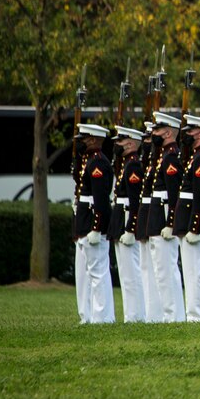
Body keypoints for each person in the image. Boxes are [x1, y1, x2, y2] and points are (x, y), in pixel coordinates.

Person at [171, 115, 200, 322]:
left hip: (194, 219)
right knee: (190, 270)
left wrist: (195, 226)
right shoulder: (195, 156)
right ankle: (194, 314)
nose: (186, 135)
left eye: (190, 131)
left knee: (196, 271)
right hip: (188, 217)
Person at [73, 123, 114, 324]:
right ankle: (87, 316)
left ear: (94, 140)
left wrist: (97, 227)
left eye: (84, 139)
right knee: (84, 275)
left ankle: (103, 317)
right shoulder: (88, 161)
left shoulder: (98, 163)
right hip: (84, 221)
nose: (80, 143)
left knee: (98, 273)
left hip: (91, 222)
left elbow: (100, 199)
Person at [147, 111, 186, 323]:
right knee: (160, 271)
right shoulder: (164, 155)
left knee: (167, 270)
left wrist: (171, 222)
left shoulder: (171, 156)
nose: (155, 133)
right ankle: (166, 314)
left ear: (169, 132)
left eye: (158, 130)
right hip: (157, 216)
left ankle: (174, 316)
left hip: (163, 218)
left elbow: (174, 194)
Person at [108, 125, 146, 322]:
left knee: (132, 273)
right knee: (126, 273)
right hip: (120, 218)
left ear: (131, 144)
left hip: (126, 219)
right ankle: (131, 314)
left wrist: (131, 228)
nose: (117, 145)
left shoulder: (133, 166)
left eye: (120, 142)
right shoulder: (126, 164)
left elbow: (135, 202)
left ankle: (137, 315)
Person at [135, 122, 163, 322]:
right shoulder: (149, 161)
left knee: (161, 270)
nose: (147, 142)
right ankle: (152, 314)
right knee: (147, 268)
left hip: (159, 215)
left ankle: (164, 315)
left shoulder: (167, 158)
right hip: (149, 213)